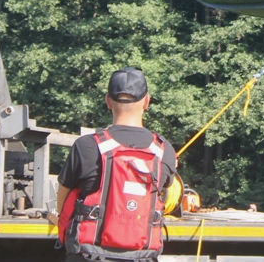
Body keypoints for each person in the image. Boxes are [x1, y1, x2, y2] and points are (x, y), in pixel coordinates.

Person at [52, 67, 177, 261]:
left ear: (108, 101)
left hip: (89, 254)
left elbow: (63, 201)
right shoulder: (164, 150)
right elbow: (167, 197)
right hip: (142, 255)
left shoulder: (86, 146)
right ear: (146, 101)